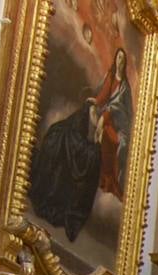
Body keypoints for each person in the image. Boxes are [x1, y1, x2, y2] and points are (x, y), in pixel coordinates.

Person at [29, 46, 133, 240]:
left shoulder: (125, 88)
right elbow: (102, 96)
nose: (119, 61)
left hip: (110, 124)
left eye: (121, 59)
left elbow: (123, 112)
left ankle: (107, 179)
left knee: (109, 146)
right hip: (100, 118)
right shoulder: (110, 77)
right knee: (69, 133)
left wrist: (107, 115)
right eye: (117, 58)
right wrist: (96, 105)